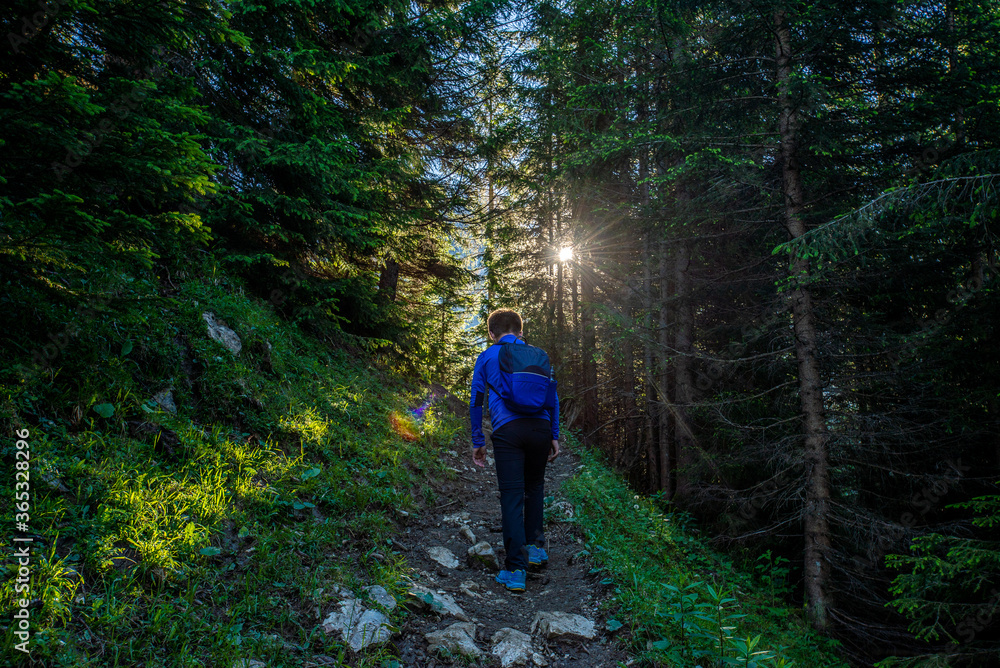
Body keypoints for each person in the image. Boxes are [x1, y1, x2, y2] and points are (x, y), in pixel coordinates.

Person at [470, 308, 560, 592]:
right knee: (534, 486)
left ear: (491, 334)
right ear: (521, 332)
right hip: (540, 430)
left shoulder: (486, 357)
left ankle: (516, 570)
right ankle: (535, 550)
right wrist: (554, 435)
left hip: (508, 431)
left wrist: (478, 441)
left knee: (511, 495)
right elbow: (552, 398)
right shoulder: (538, 355)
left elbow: (476, 401)